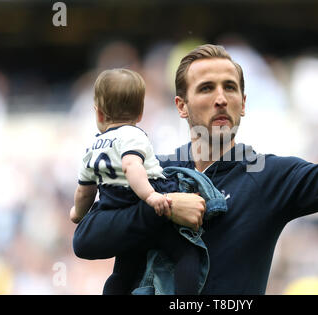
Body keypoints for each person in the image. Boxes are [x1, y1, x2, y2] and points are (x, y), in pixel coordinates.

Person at [73, 20, 318, 294]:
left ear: (244, 103)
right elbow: (87, 240)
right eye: (206, 88)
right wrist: (164, 209)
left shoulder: (268, 176)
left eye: (230, 88)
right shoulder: (152, 171)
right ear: (181, 106)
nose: (221, 98)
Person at [69, 68, 227, 294]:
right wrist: (151, 196)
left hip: (112, 203)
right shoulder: (132, 135)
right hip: (143, 197)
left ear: (99, 114)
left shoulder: (92, 148)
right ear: (140, 113)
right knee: (185, 253)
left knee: (123, 270)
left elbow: (85, 191)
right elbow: (131, 166)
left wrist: (77, 213)